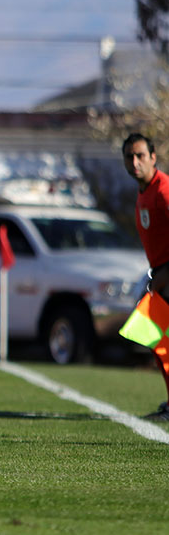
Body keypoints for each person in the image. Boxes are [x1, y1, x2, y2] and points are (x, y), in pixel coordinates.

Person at [122, 132, 169, 421]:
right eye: (130, 156)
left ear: (153, 157)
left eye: (141, 155)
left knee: (162, 341)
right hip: (161, 275)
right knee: (157, 340)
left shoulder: (163, 190)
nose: (135, 162)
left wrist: (165, 276)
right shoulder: (144, 192)